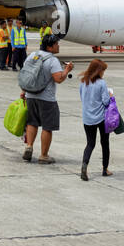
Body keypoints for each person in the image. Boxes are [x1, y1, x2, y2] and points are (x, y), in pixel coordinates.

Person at [23, 34, 74, 163]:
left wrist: (23, 91)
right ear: (50, 47)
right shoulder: (52, 60)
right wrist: (67, 70)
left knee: (31, 122)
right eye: (56, 44)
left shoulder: (32, 56)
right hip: (46, 99)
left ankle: (29, 146)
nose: (58, 46)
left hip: (30, 96)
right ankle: (44, 155)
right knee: (47, 127)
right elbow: (58, 79)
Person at [78, 59, 113, 181]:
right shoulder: (101, 83)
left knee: (90, 143)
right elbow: (106, 101)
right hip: (101, 118)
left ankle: (84, 165)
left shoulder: (83, 82)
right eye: (103, 70)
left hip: (87, 118)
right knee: (105, 143)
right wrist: (110, 96)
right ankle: (105, 169)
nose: (103, 73)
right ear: (98, 71)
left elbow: (82, 98)